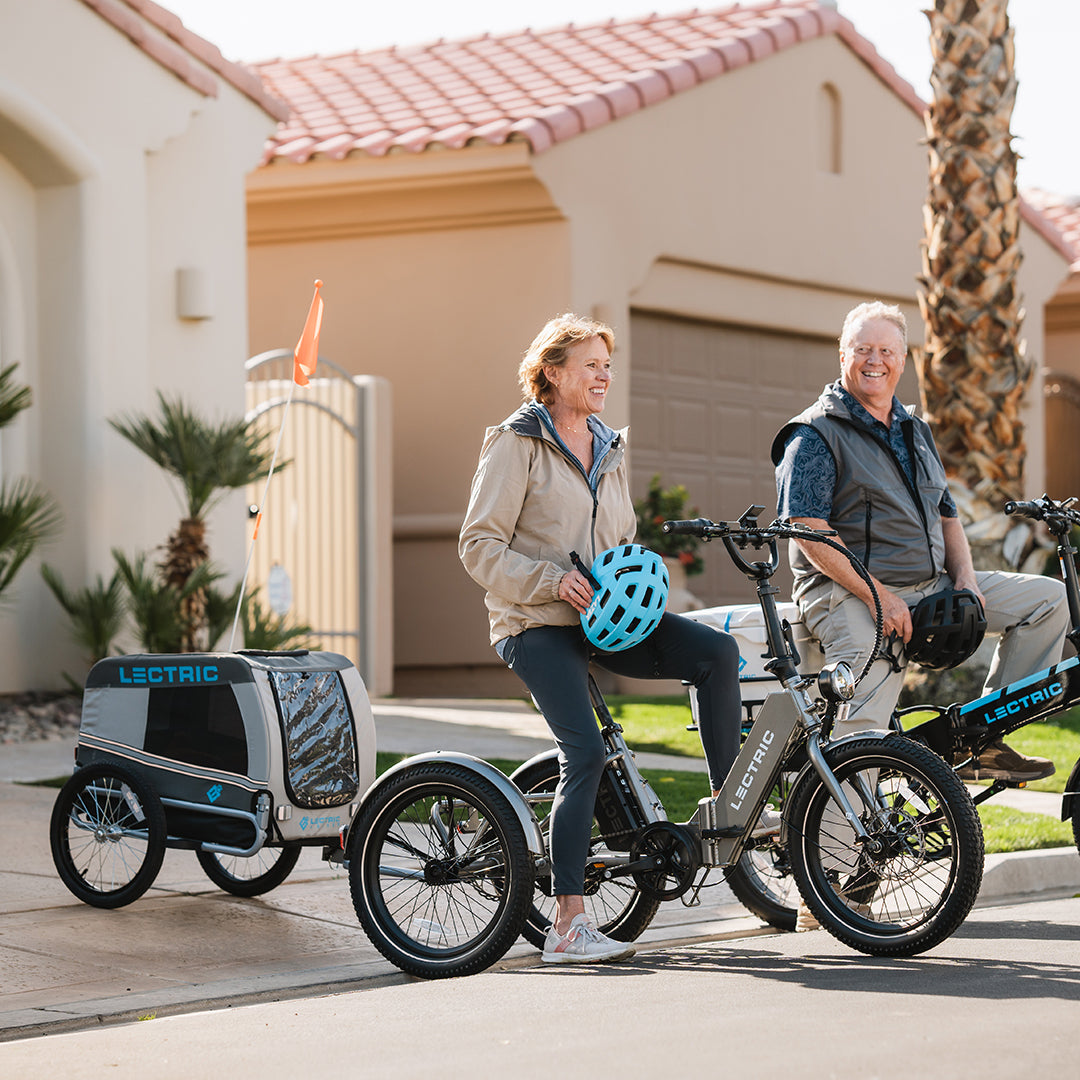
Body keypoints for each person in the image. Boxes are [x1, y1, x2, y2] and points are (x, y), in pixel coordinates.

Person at [460, 313, 752, 964]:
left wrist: (634, 574)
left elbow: (617, 541)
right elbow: (478, 547)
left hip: (604, 620)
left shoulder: (608, 445)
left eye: (606, 365)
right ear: (553, 372)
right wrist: (550, 580)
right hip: (535, 624)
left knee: (715, 653)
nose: (603, 376)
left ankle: (727, 808)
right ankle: (566, 928)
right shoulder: (516, 444)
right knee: (585, 754)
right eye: (590, 365)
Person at [772, 300, 1068, 782]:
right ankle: (834, 851)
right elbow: (807, 530)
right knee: (862, 725)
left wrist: (967, 580)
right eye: (862, 348)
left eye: (886, 350)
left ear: (902, 360)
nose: (875, 360)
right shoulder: (814, 433)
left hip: (928, 583)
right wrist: (879, 596)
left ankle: (979, 739)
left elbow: (948, 515)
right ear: (841, 354)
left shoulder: (916, 430)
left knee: (1048, 601)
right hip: (848, 591)